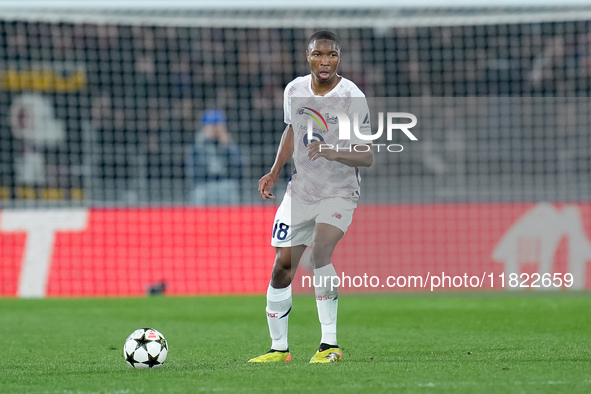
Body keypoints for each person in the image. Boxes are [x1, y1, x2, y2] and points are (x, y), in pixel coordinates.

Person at [248, 31, 373, 364]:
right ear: (308, 56)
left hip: (339, 191)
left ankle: (328, 345)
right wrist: (275, 170)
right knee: (281, 269)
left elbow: (366, 155)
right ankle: (278, 350)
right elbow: (291, 129)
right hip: (300, 192)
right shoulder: (294, 90)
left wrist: (333, 151)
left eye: (332, 55)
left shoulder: (351, 96)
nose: (325, 61)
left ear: (339, 57)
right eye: (319, 54)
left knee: (320, 251)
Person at [186, 109, 243, 205]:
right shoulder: (198, 144)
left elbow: (239, 167)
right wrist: (205, 143)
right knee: (199, 194)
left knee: (231, 189)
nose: (215, 129)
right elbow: (194, 170)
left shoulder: (228, 143)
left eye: (218, 125)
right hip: (204, 185)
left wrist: (228, 146)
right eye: (212, 125)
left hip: (226, 184)